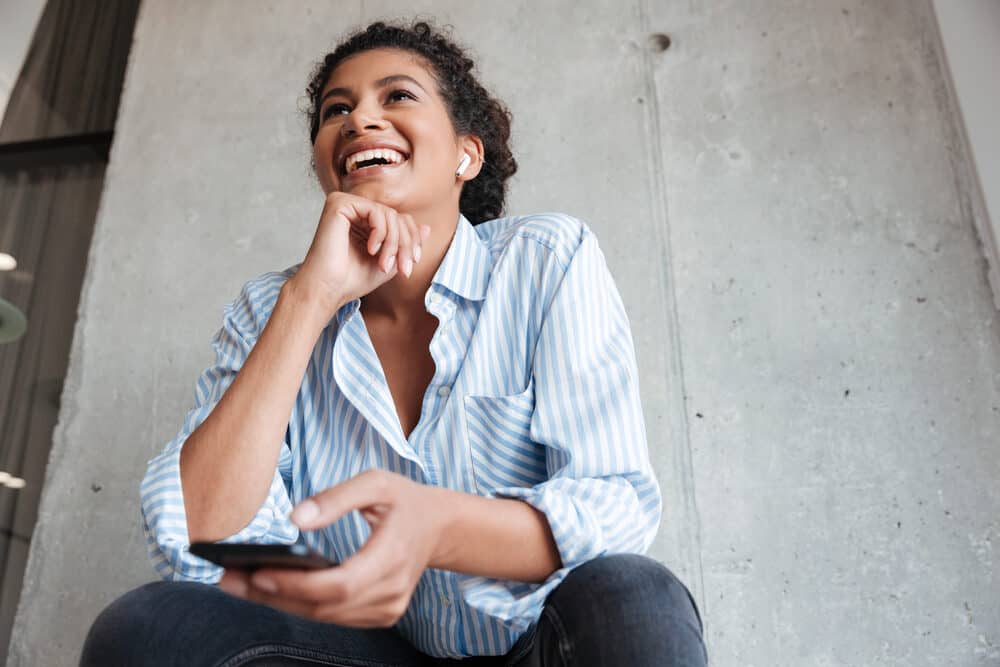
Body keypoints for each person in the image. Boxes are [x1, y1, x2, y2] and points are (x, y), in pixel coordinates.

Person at [80, 19, 707, 667]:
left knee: (633, 593)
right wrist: (309, 300)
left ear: (467, 153)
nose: (359, 120)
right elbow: (204, 538)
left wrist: (438, 526)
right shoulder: (270, 307)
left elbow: (614, 499)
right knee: (147, 626)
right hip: (374, 651)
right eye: (336, 110)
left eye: (397, 96)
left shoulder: (544, 260)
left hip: (533, 641)